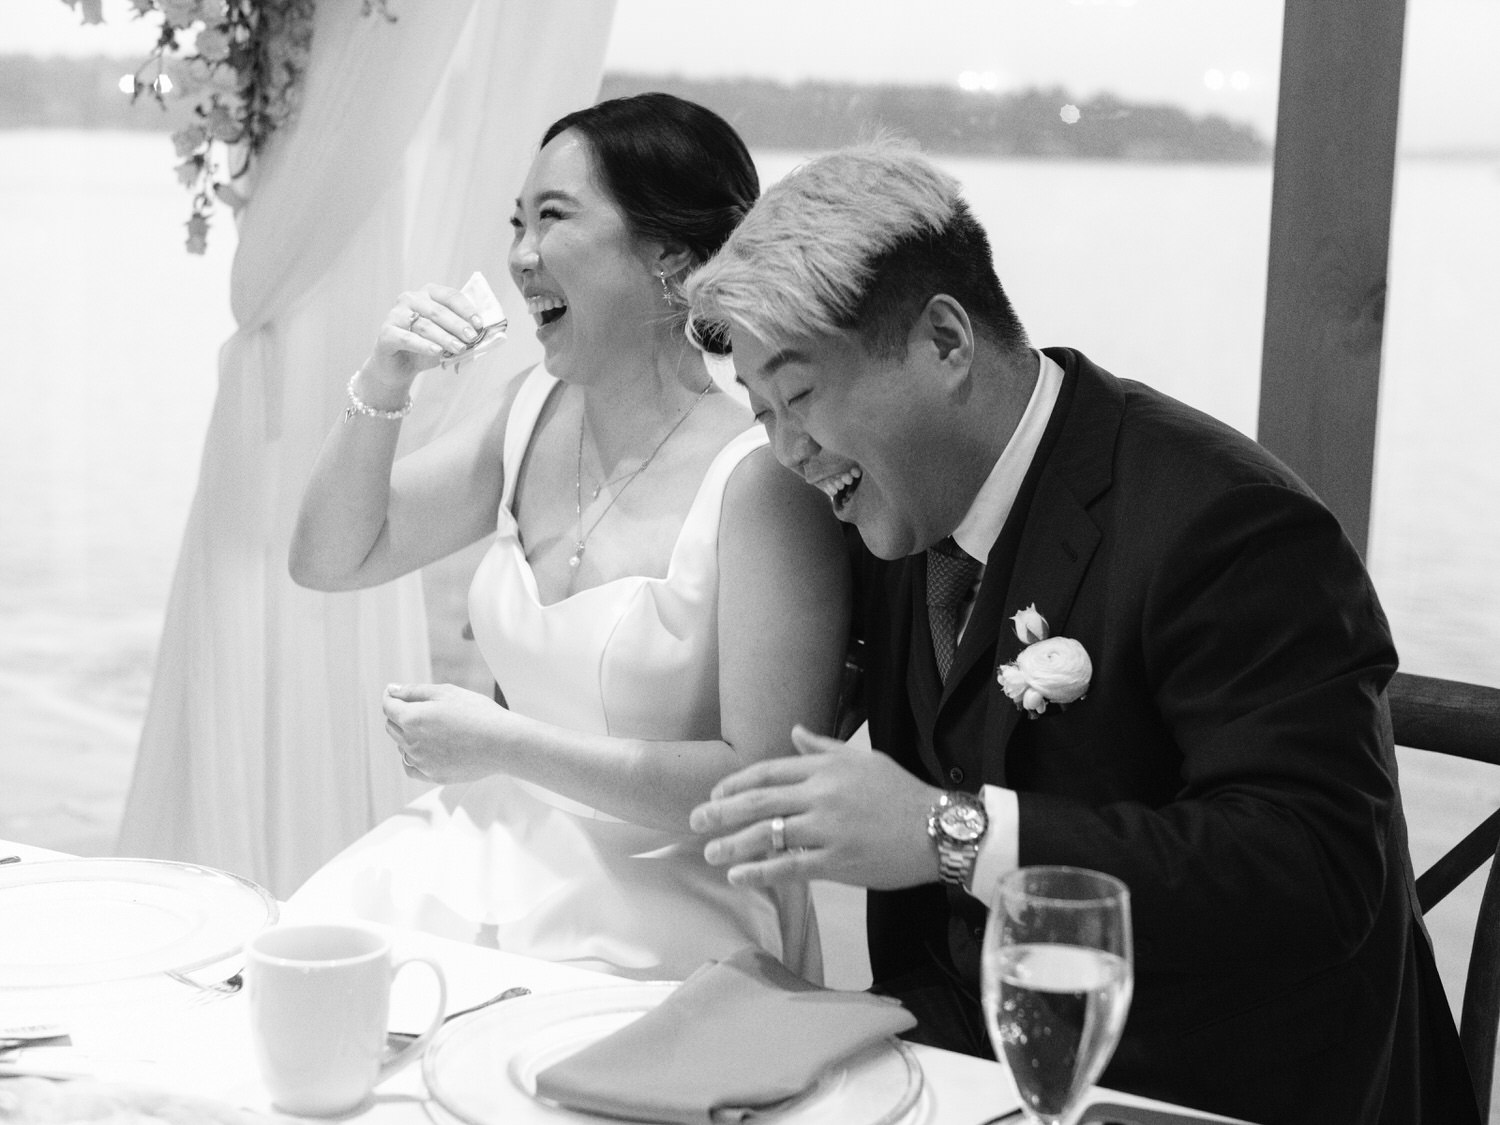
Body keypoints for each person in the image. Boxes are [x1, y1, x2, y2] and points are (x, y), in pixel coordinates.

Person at [683, 142, 1477, 1123]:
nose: (789, 452)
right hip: (963, 1079)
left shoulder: (1226, 525)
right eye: (760, 413)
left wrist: (949, 834)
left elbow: (1314, 874)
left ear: (943, 342)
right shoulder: (889, 508)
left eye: (800, 398)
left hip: (1226, 1092)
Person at [285, 93, 848, 983]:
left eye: (552, 218)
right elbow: (330, 557)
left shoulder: (760, 478)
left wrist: (504, 745)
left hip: (665, 901)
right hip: (478, 855)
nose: (518, 256)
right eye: (516, 222)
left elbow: (761, 786)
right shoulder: (528, 412)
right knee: (300, 981)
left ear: (668, 256)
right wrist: (384, 377)